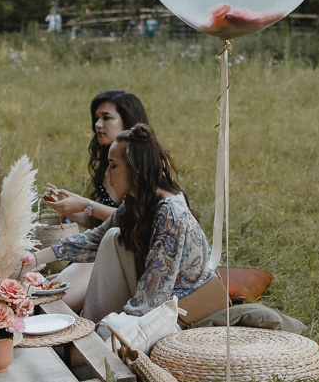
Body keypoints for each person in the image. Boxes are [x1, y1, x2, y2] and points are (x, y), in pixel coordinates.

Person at [48, 124, 214, 323]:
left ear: (135, 168)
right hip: (157, 303)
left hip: (181, 314)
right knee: (112, 237)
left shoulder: (170, 213)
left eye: (113, 165)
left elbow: (153, 296)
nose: (107, 175)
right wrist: (33, 258)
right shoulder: (136, 203)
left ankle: (91, 328)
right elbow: (94, 239)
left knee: (109, 330)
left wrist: (115, 322)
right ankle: (90, 324)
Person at [44, 90, 149, 229]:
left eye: (106, 118)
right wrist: (64, 207)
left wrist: (86, 204)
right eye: (97, 118)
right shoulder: (106, 161)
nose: (98, 124)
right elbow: (97, 222)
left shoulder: (147, 163)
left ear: (128, 120)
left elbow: (135, 221)